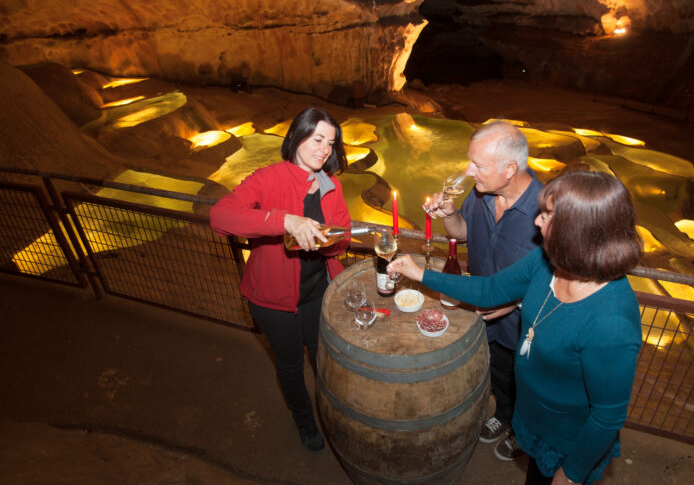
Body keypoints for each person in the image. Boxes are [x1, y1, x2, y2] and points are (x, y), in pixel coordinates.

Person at [389, 171, 643, 484]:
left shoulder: (611, 322)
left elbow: (607, 417)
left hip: (566, 439)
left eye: (548, 216)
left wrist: (572, 475)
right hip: (533, 414)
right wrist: (421, 274)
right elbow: (489, 291)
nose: (537, 222)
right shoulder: (547, 261)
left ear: (579, 231)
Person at [210, 107, 350, 452]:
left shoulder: (332, 185)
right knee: (290, 364)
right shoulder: (268, 177)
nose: (324, 149)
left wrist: (330, 240)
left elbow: (343, 238)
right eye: (317, 139)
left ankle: (332, 413)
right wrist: (283, 221)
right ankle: (304, 421)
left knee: (322, 357)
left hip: (318, 292)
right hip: (273, 299)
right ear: (297, 137)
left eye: (330, 143)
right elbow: (220, 216)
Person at [425, 120, 543, 461]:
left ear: (509, 169)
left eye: (477, 164)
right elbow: (462, 233)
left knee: (529, 385)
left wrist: (516, 300)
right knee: (500, 376)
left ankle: (523, 433)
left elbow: (559, 279)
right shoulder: (480, 194)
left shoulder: (547, 210)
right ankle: (505, 415)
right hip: (482, 317)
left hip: (525, 324)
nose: (467, 170)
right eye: (469, 160)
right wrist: (448, 215)